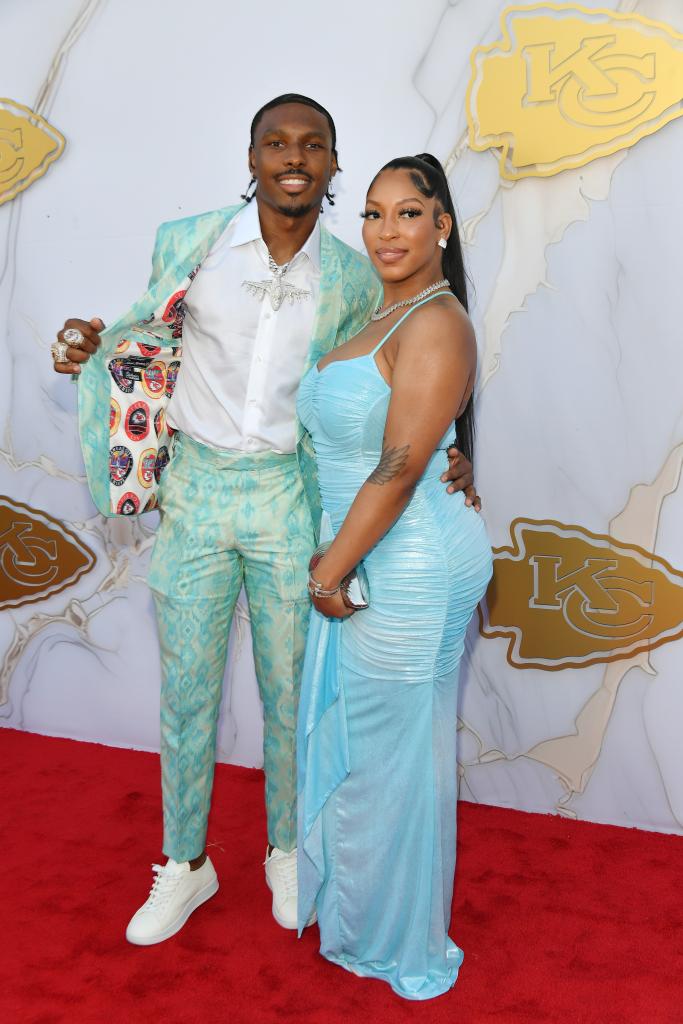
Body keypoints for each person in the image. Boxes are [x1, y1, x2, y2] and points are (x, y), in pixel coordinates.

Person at [50, 96, 480, 945]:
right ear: (249, 158)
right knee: (185, 694)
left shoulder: (362, 275)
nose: (293, 156)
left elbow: (397, 380)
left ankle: (289, 848)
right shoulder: (192, 241)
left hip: (294, 496)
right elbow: (144, 331)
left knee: (295, 690)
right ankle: (184, 864)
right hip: (200, 492)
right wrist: (86, 346)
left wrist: (445, 455)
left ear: (331, 164)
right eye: (275, 143)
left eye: (312, 145)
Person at [296, 154, 493, 999]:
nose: (386, 231)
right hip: (373, 554)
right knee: (380, 755)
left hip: (404, 566)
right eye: (372, 214)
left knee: (393, 758)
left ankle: (394, 941)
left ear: (441, 224)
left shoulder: (436, 320)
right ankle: (365, 920)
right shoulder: (384, 317)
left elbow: (401, 464)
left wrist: (326, 572)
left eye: (407, 213)